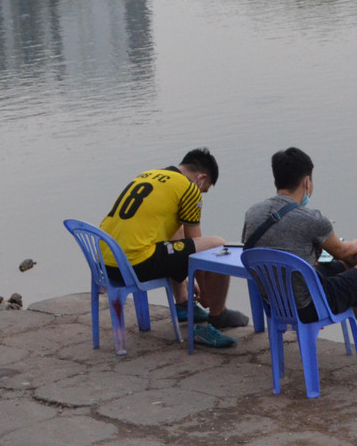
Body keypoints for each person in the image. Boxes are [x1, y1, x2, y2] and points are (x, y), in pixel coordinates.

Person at [241, 147, 357, 371]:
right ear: (307, 182)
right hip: (309, 304)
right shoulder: (312, 219)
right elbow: (343, 251)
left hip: (276, 303)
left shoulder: (252, 213)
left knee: (350, 267)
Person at [99, 148, 249, 348]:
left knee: (175, 229)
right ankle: (217, 315)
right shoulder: (189, 188)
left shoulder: (150, 175)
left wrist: (185, 278)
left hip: (105, 265)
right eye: (205, 189)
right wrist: (205, 292)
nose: (202, 193)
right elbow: (201, 252)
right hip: (134, 266)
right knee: (218, 245)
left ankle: (182, 303)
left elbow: (181, 242)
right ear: (201, 178)